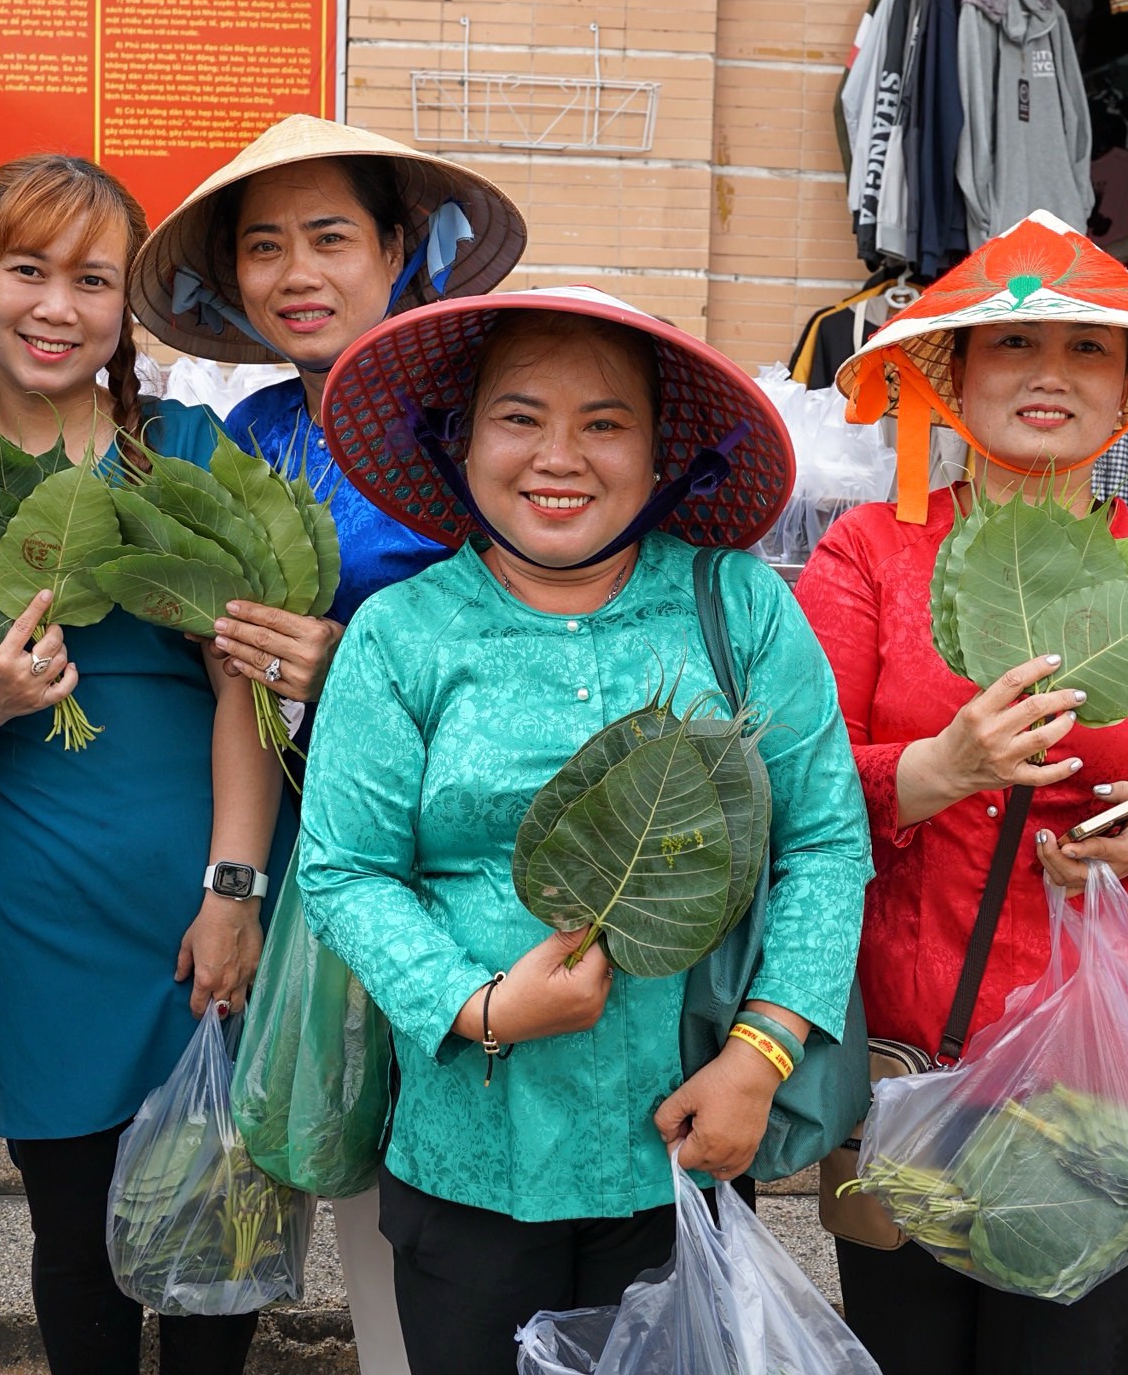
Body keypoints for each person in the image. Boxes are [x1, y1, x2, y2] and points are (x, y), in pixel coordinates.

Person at [298, 287, 870, 1375]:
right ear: (459, 442)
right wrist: (478, 1005)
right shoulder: (401, 635)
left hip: (682, 1136)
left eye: (604, 423)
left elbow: (822, 844)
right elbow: (346, 869)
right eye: (518, 418)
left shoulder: (738, 608)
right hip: (466, 1150)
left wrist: (760, 1053)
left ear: (660, 454)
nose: (558, 456)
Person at [800, 209, 1128, 1374]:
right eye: (1012, 346)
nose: (1047, 376)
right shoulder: (867, 554)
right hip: (912, 1052)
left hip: (1105, 1060)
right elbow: (795, 778)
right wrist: (933, 772)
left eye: (1086, 351)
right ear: (953, 376)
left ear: (1127, 390)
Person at [125, 113, 529, 1374]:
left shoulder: (480, 424)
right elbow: (240, 678)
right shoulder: (256, 437)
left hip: (473, 878)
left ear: (401, 246)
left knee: (463, 1198)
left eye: (329, 237)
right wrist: (235, 886)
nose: (295, 273)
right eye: (262, 247)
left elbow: (546, 661)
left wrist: (355, 665)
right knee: (343, 1148)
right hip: (317, 859)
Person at [0, 154, 284, 1375]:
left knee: (214, 1216)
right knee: (73, 1235)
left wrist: (233, 891)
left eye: (90, 279)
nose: (56, 307)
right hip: (35, 906)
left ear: (122, 304)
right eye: (25, 269)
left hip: (200, 887)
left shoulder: (183, 450)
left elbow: (245, 678)